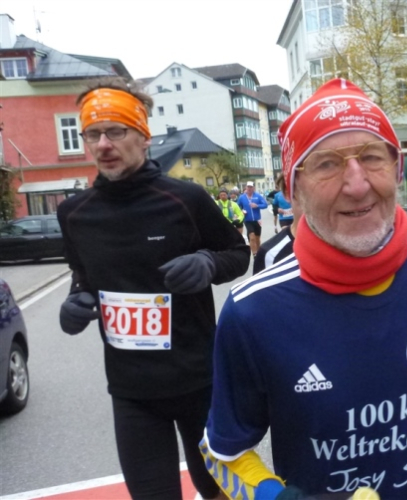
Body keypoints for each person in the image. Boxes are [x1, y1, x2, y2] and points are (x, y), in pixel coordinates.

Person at [200, 79, 407, 500]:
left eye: (371, 157)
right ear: (292, 189)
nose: (357, 184)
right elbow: (221, 452)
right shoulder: (252, 311)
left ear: (397, 169)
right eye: (326, 164)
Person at [56, 78, 249, 499]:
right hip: (132, 392)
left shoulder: (186, 199)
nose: (103, 144)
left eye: (115, 131)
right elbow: (82, 275)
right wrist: (75, 301)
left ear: (143, 137)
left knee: (218, 491)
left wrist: (208, 262)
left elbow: (238, 254)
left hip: (199, 382)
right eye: (92, 134)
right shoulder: (74, 213)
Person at [253, 174, 301, 275]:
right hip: (284, 218)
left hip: (292, 216)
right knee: (285, 232)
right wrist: (278, 209)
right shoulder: (278, 196)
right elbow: (274, 206)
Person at [237, 181, 268, 256]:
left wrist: (257, 205)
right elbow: (237, 207)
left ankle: (259, 252)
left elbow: (265, 205)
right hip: (247, 220)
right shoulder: (242, 197)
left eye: (251, 187)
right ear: (246, 187)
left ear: (253, 188)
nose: (249, 188)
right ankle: (254, 254)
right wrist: (242, 211)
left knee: (257, 238)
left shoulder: (258, 196)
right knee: (252, 237)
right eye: (248, 187)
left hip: (257, 220)